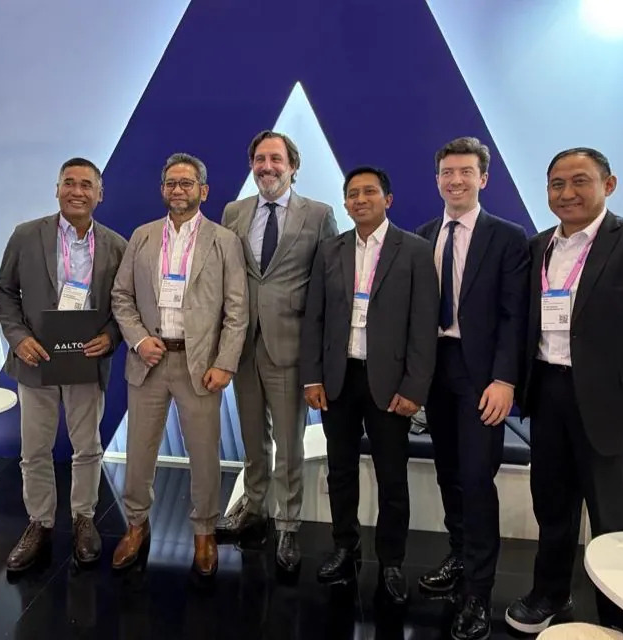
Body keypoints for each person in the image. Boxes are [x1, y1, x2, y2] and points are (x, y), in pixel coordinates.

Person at [504, 148, 623, 637]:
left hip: (614, 406)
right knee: (552, 506)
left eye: (580, 181)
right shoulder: (537, 247)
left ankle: (622, 615)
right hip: (547, 393)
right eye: (556, 184)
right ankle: (550, 593)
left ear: (608, 185)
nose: (567, 193)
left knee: (614, 515)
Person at [300, 166, 438, 604]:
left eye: (370, 192)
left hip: (390, 383)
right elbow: (314, 317)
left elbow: (424, 326)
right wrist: (312, 376)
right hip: (338, 378)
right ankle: (345, 548)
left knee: (392, 476)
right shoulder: (330, 250)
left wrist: (415, 389)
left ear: (388, 199)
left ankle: (392, 560)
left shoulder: (415, 250)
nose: (360, 200)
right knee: (340, 471)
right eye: (353, 194)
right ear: (345, 203)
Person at [110, 153, 248, 581]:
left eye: (186, 183)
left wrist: (225, 363)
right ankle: (136, 524)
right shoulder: (143, 236)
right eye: (171, 183)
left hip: (200, 364)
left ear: (203, 190)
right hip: (148, 360)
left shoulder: (224, 241)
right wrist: (139, 339)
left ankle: (204, 531)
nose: (178, 190)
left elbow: (237, 310)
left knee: (204, 454)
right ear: (162, 189)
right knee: (139, 452)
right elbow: (121, 296)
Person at [414, 137, 529, 640]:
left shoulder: (508, 237)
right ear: (437, 179)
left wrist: (505, 379)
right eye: (447, 172)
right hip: (434, 369)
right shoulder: (423, 236)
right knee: (448, 472)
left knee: (478, 480)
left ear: (483, 178)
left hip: (482, 376)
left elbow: (515, 316)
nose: (455, 180)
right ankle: (460, 556)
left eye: (465, 172)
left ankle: (479, 592)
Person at [0, 157, 127, 571]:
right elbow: (4, 293)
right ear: (56, 189)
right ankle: (40, 522)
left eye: (86, 185)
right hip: (36, 359)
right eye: (69, 183)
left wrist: (112, 336)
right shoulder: (26, 235)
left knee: (87, 447)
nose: (77, 191)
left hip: (86, 362)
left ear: (100, 194)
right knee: (35, 449)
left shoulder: (116, 245)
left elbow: (124, 304)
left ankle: (84, 517)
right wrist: (19, 339)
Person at [217, 130, 338, 574]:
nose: (267, 167)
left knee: (288, 444)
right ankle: (254, 508)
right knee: (253, 438)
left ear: (293, 165)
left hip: (290, 346)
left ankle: (288, 524)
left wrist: (319, 354)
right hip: (242, 343)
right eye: (260, 159)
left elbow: (329, 283)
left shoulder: (319, 214)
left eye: (276, 159)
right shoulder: (234, 212)